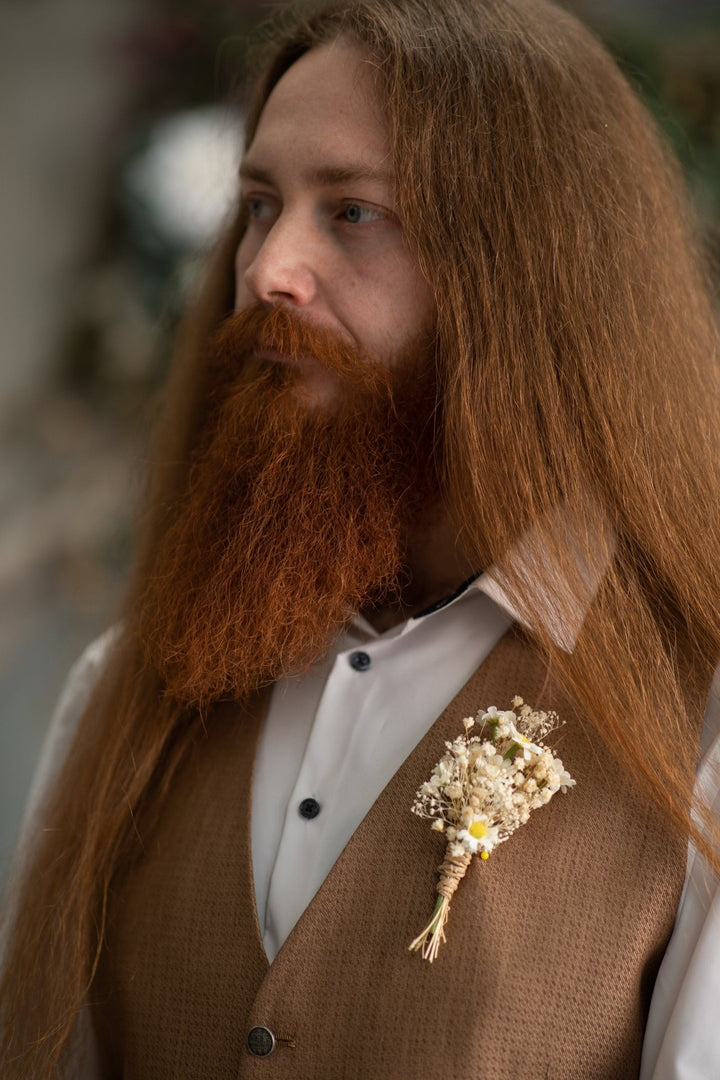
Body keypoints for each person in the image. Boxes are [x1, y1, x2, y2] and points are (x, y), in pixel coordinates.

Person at [2, 0, 720, 1076]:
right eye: (256, 205)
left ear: (528, 270)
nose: (265, 271)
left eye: (351, 212)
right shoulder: (125, 689)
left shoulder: (700, 718)